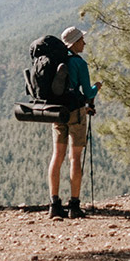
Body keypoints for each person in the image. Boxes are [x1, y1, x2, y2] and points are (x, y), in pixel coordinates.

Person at [47, 26, 99, 219]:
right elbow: (88, 92)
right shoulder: (79, 63)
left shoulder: (57, 61)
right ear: (75, 43)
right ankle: (74, 205)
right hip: (75, 112)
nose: (84, 43)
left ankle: (54, 204)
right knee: (74, 157)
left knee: (57, 156)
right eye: (81, 40)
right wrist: (97, 87)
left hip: (57, 112)